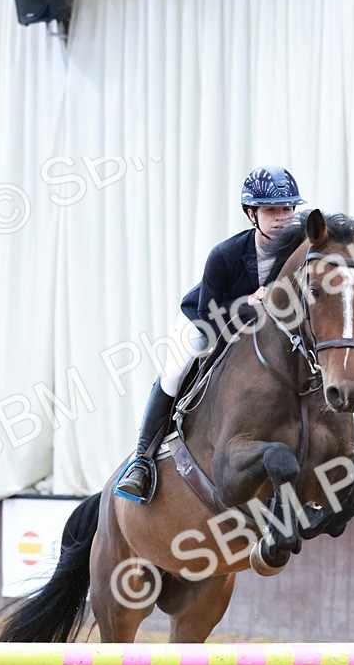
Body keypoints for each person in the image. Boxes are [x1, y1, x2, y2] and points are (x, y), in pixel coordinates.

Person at [115, 166, 305, 503]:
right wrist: (248, 303)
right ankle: (141, 460)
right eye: (271, 210)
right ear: (252, 214)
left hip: (261, 328)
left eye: (287, 209)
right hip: (208, 318)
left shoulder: (298, 251)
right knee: (175, 372)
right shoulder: (225, 254)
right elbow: (208, 312)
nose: (281, 218)